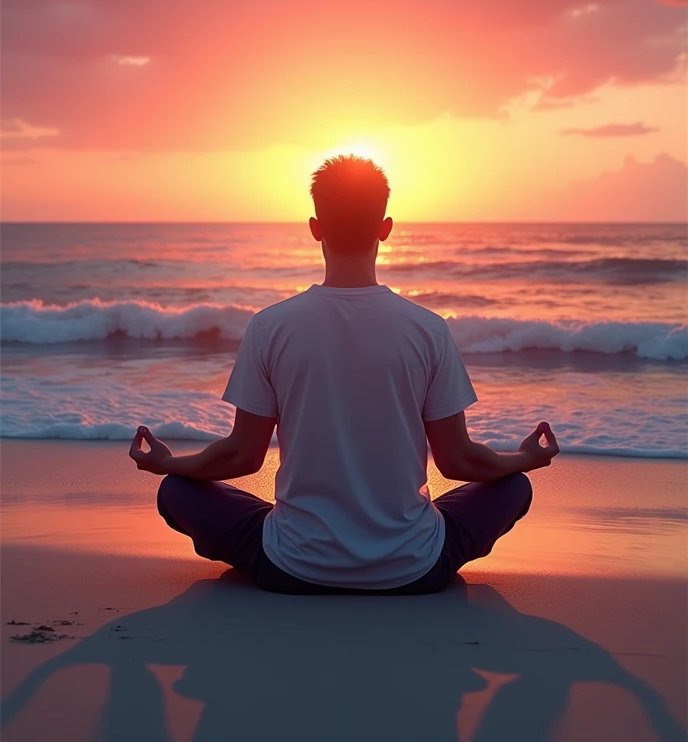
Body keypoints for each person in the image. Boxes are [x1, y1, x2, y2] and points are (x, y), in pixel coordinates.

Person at [129, 155, 559, 594]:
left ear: (315, 227)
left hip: (292, 568)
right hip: (414, 570)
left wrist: (168, 464)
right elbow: (458, 461)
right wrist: (524, 459)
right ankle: (400, 548)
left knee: (176, 492)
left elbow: (242, 457)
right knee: (514, 488)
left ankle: (305, 550)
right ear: (386, 227)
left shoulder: (270, 327)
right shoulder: (428, 328)